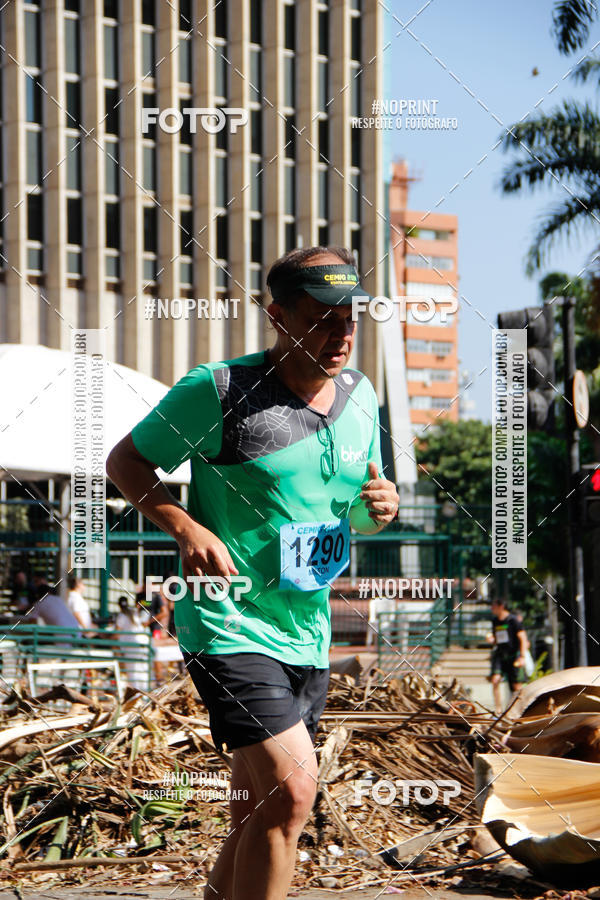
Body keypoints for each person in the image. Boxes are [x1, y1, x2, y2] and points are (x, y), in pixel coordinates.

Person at [106, 245, 400, 900]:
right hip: (228, 624)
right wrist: (186, 526)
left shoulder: (362, 396)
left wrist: (380, 509)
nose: (340, 331)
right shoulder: (219, 390)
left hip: (307, 631)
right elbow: (126, 462)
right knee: (295, 794)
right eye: (321, 317)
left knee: (257, 810)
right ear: (279, 316)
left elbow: (354, 504)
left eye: (349, 316)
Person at [488, 598, 529, 714]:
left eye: (494, 606)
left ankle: (520, 709)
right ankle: (498, 710)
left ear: (501, 606)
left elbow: (523, 638)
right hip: (500, 655)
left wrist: (522, 656)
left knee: (516, 685)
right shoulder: (495, 621)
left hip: (513, 655)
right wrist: (492, 639)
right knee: (495, 679)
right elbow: (498, 638)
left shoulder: (513, 620)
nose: (492, 609)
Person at [115, 596, 151, 692]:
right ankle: (144, 693)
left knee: (133, 671)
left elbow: (116, 634)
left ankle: (138, 694)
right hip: (143, 643)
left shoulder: (122, 615)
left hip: (131, 646)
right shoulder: (134, 611)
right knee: (143, 669)